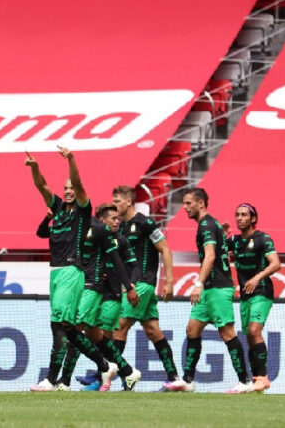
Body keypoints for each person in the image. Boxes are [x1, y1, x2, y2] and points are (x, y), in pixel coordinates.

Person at [25, 147, 118, 391]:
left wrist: (71, 159)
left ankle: (51, 380)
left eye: (70, 189)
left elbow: (77, 182)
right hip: (55, 272)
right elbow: (42, 187)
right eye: (65, 188)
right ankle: (104, 365)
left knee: (59, 325)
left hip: (71, 271)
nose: (67, 191)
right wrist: (35, 167)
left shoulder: (82, 210)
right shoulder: (57, 209)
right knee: (66, 327)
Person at [165, 188, 253, 393]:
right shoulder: (210, 225)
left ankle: (245, 381)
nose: (185, 207)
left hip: (217, 288)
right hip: (210, 289)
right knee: (192, 329)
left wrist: (199, 283)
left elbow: (210, 256)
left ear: (201, 204)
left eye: (188, 203)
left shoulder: (206, 225)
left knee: (227, 333)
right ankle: (187, 380)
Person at [57, 203, 142, 391]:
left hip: (110, 295)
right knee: (94, 336)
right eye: (113, 219)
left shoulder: (120, 241)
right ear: (102, 221)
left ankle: (71, 380)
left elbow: (129, 265)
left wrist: (130, 285)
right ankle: (126, 372)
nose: (118, 222)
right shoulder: (92, 236)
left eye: (118, 219)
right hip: (93, 292)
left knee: (79, 331)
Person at [111, 185, 181, 389]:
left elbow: (165, 249)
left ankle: (111, 376)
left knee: (120, 326)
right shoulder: (121, 227)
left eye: (117, 201)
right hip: (136, 285)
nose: (115, 205)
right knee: (153, 331)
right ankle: (174, 377)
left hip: (142, 284)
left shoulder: (146, 223)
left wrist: (169, 281)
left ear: (129, 201)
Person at [227, 203, 281, 392]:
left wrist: (257, 278)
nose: (239, 218)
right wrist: (222, 234)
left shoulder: (262, 239)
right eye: (237, 215)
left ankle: (263, 377)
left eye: (243, 215)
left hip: (262, 292)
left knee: (253, 330)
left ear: (253, 219)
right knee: (250, 337)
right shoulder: (234, 241)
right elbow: (212, 250)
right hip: (245, 296)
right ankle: (255, 380)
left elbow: (276, 264)